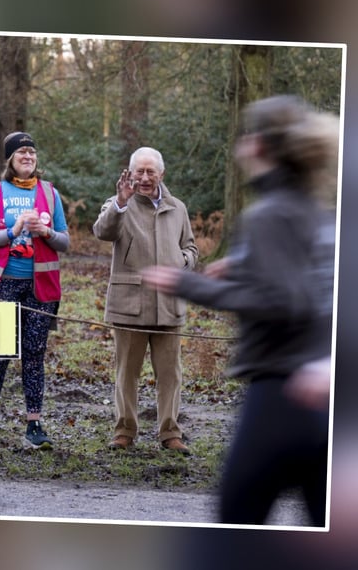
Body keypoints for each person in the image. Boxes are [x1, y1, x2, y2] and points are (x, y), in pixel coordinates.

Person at [143, 95, 336, 525]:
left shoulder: (268, 214)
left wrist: (185, 283)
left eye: (246, 135)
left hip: (282, 394)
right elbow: (315, 283)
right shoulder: (320, 214)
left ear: (260, 146)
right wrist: (248, 265)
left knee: (235, 528)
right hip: (328, 394)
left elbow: (282, 301)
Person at [92, 146, 198, 454]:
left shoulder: (178, 208)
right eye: (139, 171)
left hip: (169, 304)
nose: (145, 177)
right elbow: (102, 231)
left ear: (161, 174)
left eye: (151, 171)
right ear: (129, 173)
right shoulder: (117, 204)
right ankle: (124, 430)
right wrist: (121, 203)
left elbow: (191, 248)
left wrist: (182, 261)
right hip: (129, 305)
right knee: (127, 373)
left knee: (170, 375)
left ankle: (170, 433)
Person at [0, 131, 69, 450]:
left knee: (34, 355)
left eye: (32, 152)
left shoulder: (50, 194)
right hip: (2, 286)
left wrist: (47, 232)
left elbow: (65, 242)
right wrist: (10, 233)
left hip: (40, 288)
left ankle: (34, 425)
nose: (28, 156)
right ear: (10, 159)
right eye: (21, 152)